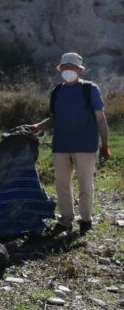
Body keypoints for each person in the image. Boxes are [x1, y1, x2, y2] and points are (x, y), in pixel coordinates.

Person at [25, 53, 111, 235]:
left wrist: (105, 144)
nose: (68, 71)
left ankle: (86, 221)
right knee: (62, 185)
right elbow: (55, 119)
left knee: (85, 185)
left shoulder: (90, 89)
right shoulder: (56, 91)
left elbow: (100, 119)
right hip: (61, 146)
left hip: (85, 147)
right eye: (66, 67)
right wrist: (39, 126)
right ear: (61, 69)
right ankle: (65, 220)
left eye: (72, 68)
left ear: (80, 70)